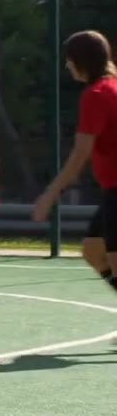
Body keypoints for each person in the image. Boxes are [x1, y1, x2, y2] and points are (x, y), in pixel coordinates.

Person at [32, 30, 117, 296]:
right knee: (93, 250)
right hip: (111, 191)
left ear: (80, 61)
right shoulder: (112, 87)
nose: (67, 66)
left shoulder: (96, 94)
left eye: (69, 60)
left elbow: (81, 153)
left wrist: (50, 194)